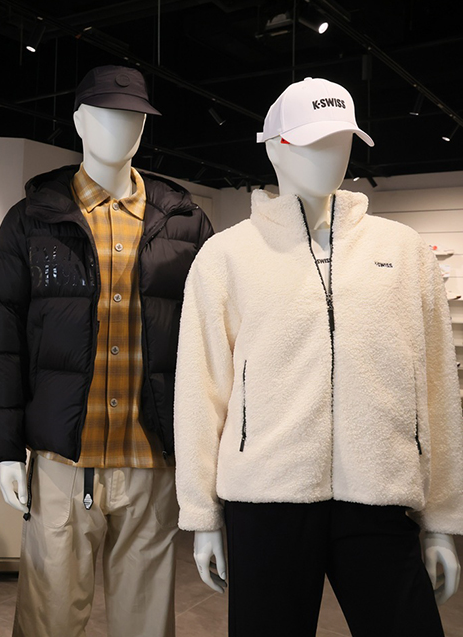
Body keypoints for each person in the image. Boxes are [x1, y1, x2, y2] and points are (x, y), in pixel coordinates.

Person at [175, 77, 463, 636]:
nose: (331, 156)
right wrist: (202, 514)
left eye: (341, 140)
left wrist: (442, 519)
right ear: (274, 148)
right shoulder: (226, 256)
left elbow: (437, 393)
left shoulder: (403, 251)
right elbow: (200, 392)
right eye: (313, 142)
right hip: (266, 497)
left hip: (380, 493)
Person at [0, 65, 213, 637]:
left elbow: (210, 346)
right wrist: (5, 450)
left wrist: (206, 457)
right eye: (106, 115)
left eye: (134, 117)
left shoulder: (185, 223)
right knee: (49, 619)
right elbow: (3, 341)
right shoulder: (31, 220)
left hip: (151, 460)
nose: (122, 127)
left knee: (145, 623)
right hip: (63, 459)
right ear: (79, 120)